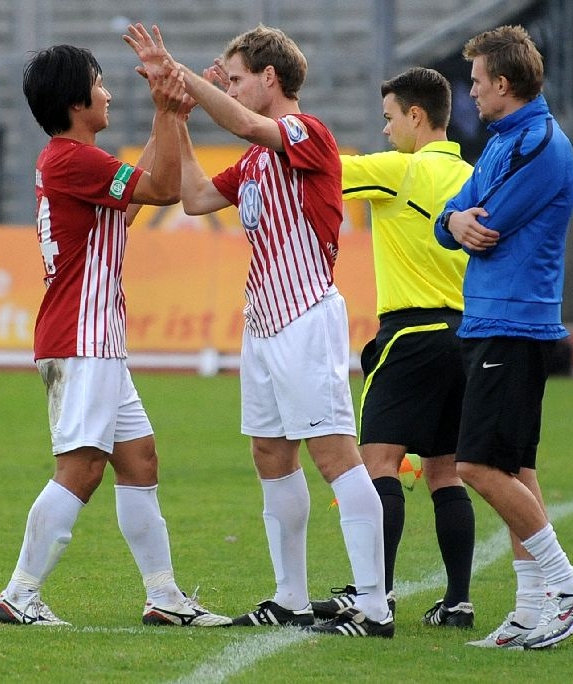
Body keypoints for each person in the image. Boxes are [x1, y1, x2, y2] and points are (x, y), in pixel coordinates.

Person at [124, 23, 393, 638]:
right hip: (265, 322)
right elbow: (191, 198)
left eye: (239, 77)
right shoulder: (251, 163)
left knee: (334, 455)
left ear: (271, 78)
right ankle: (290, 597)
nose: (236, 89)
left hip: (303, 316)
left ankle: (375, 607)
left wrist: (178, 71)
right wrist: (177, 112)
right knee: (271, 453)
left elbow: (250, 125)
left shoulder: (308, 132)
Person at [0, 44, 230, 628]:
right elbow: (165, 189)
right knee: (82, 469)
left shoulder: (70, 160)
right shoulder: (75, 159)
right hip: (83, 339)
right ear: (77, 102)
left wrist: (176, 113)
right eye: (100, 86)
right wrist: (167, 110)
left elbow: (136, 190)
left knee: (139, 460)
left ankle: (164, 596)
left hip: (91, 339)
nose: (108, 94)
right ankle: (20, 593)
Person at [434, 25, 573, 650]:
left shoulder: (538, 143)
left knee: (475, 465)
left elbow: (490, 222)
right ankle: (532, 607)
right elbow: (450, 222)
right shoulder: (506, 138)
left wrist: (460, 219)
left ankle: (569, 589)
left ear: (503, 84)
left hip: (513, 321)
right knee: (515, 466)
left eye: (477, 82)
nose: (472, 92)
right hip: (492, 318)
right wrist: (454, 218)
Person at [308, 67, 477, 629]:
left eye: (388, 118)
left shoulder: (401, 170)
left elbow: (319, 165)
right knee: (445, 473)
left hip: (409, 335)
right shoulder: (476, 176)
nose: (384, 131)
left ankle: (373, 598)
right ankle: (458, 600)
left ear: (416, 116)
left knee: (378, 465)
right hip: (465, 337)